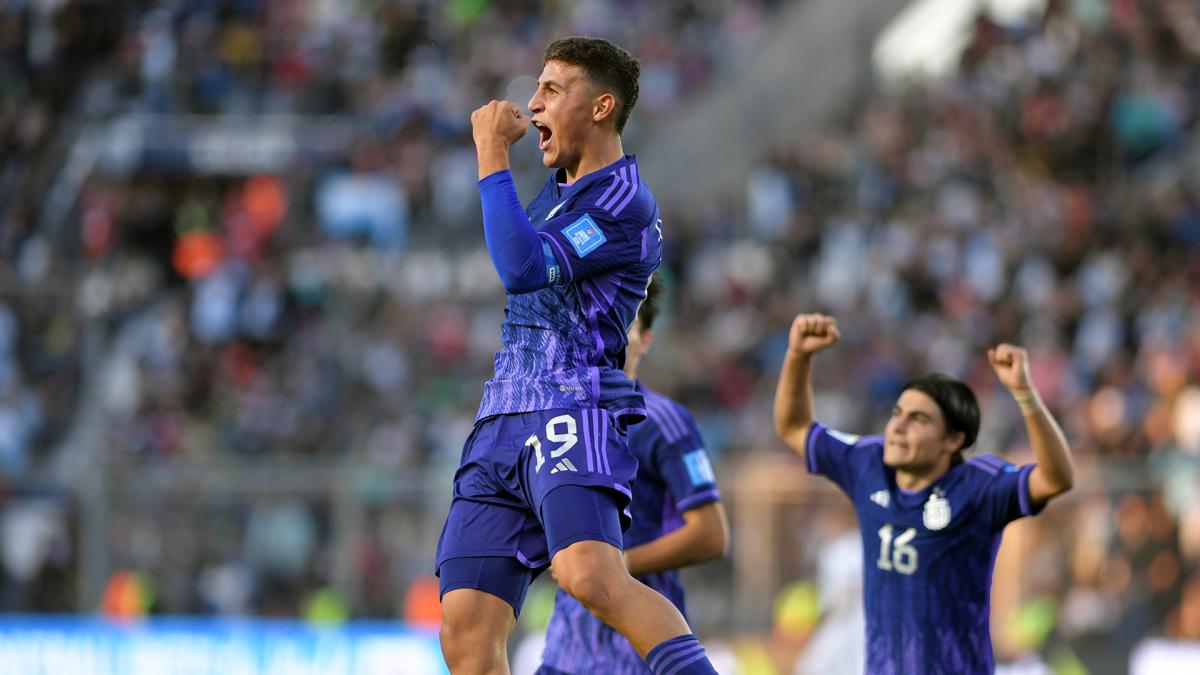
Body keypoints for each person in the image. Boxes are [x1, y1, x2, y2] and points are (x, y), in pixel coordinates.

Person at [435, 37, 719, 675]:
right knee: (464, 629)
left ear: (600, 106)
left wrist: (489, 153)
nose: (533, 106)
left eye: (552, 91)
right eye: (535, 89)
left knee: (591, 576)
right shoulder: (554, 193)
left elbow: (522, 267)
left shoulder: (621, 201)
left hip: (572, 406)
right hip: (500, 420)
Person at [774, 314, 1075, 674]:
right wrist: (797, 357)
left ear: (953, 440)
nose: (897, 428)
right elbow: (793, 427)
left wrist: (1026, 397)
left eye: (918, 420)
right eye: (897, 414)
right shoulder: (868, 464)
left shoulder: (977, 488)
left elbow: (1056, 478)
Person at [538, 277, 729, 674]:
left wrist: (617, 565)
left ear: (645, 339)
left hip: (636, 654)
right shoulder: (564, 420)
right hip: (565, 654)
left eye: (624, 323)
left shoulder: (664, 423)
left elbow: (711, 533)